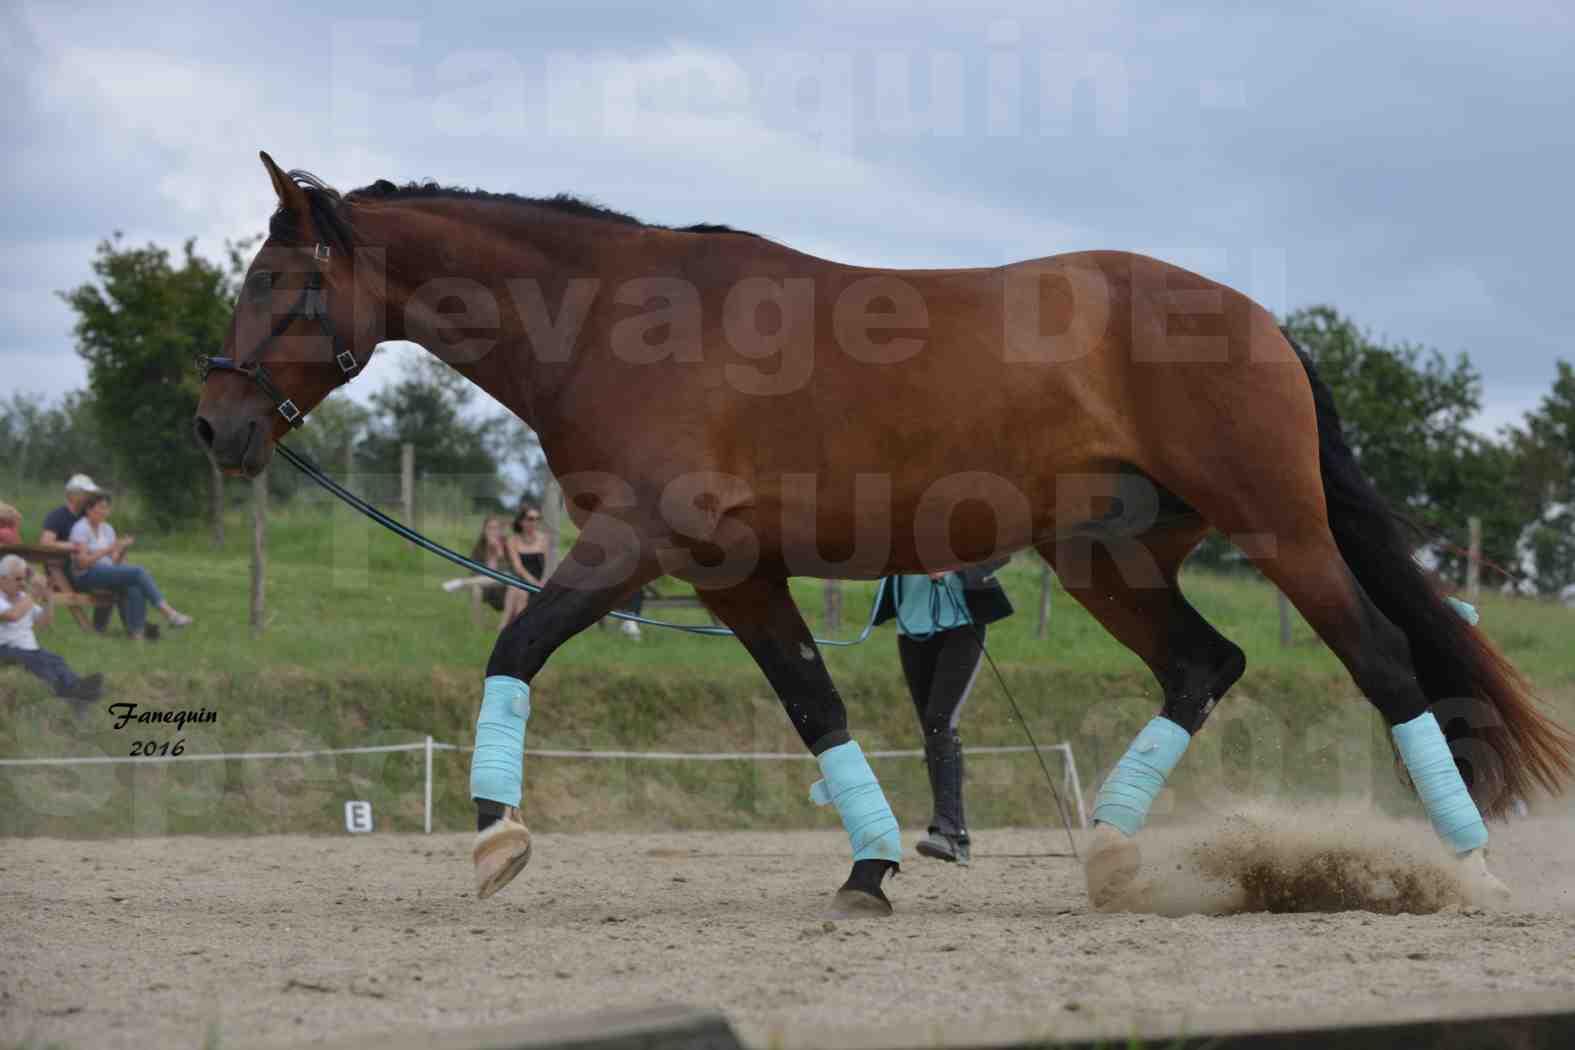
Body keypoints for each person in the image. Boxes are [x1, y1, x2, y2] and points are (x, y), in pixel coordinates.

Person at [872, 558, 1014, 865]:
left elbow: (1005, 545)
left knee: (940, 720)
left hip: (962, 623)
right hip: (910, 624)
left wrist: (954, 563)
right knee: (933, 728)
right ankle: (957, 838)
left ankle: (947, 830)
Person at [68, 492, 192, 640]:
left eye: (107, 508)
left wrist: (122, 548)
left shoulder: (107, 528)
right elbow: (81, 563)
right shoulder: (80, 528)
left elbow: (115, 563)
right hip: (87, 575)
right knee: (138, 572)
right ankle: (169, 613)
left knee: (135, 584)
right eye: (100, 508)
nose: (104, 512)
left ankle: (137, 633)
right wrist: (109, 549)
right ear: (88, 509)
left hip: (106, 572)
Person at [0, 554, 103, 707]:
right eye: (17, 579)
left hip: (29, 650)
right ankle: (70, 693)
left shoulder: (23, 598)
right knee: (40, 663)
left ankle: (78, 687)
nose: (22, 584)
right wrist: (33, 594)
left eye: (23, 579)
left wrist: (49, 599)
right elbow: (13, 615)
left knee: (56, 660)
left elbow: (44, 623)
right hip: (5, 649)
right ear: (2, 579)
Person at [38, 474, 113, 632]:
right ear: (73, 495)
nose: (89, 497)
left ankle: (100, 628)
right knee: (113, 577)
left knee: (115, 578)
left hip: (87, 565)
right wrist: (73, 545)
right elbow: (45, 543)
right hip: (62, 571)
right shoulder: (58, 515)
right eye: (86, 493)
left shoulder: (86, 516)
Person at [501, 503, 548, 628]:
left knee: (518, 591)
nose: (534, 522)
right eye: (531, 519)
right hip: (522, 579)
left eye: (537, 519)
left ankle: (509, 627)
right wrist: (532, 582)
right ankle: (511, 627)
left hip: (540, 581)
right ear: (522, 521)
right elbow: (518, 567)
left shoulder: (543, 539)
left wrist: (542, 582)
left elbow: (549, 565)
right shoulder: (513, 540)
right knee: (518, 590)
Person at [469, 515, 510, 613]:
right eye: (490, 528)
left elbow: (510, 573)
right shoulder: (479, 548)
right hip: (485, 587)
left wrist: (500, 553)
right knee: (476, 588)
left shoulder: (507, 546)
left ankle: (461, 583)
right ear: (484, 531)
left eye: (496, 528)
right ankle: (477, 625)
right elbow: (474, 572)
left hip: (503, 588)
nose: (493, 532)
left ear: (500, 531)